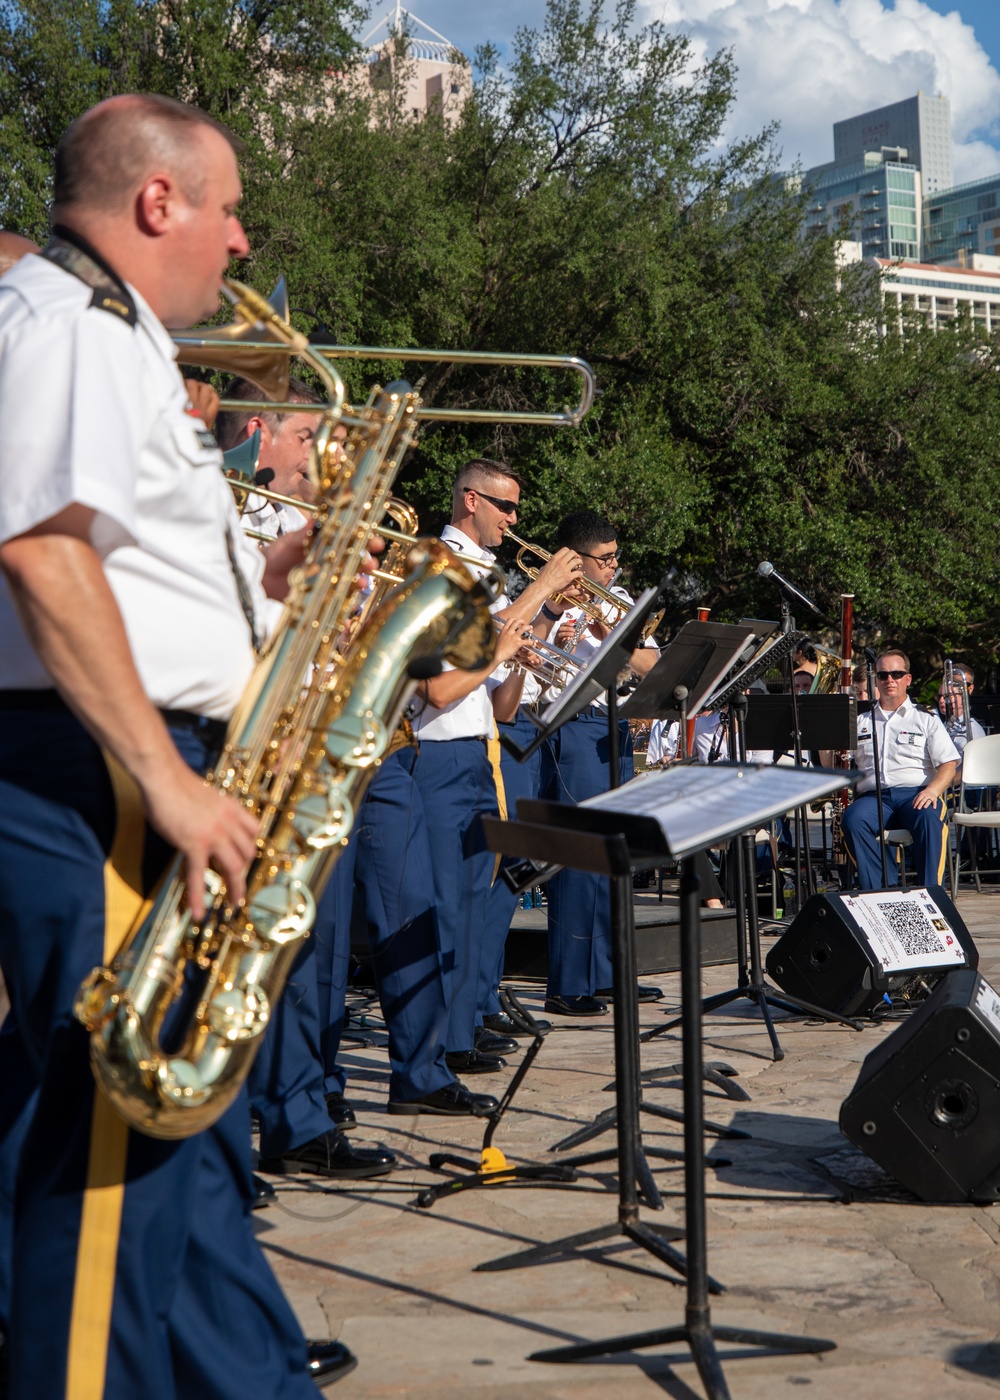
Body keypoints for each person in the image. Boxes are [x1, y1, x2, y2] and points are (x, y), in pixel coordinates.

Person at [0, 94, 348, 1396]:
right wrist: (168, 782)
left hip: (124, 762)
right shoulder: (74, 328)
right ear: (159, 203)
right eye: (230, 206)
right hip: (95, 776)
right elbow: (40, 546)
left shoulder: (110, 338)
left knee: (166, 1138)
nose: (242, 240)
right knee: (110, 1147)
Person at [402, 459, 583, 1072]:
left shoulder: (492, 576)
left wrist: (531, 650)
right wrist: (541, 592)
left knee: (475, 896)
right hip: (439, 749)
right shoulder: (441, 563)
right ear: (471, 501)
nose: (513, 520)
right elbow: (447, 682)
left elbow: (500, 701)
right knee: (447, 901)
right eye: (504, 507)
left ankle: (460, 1026)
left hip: (482, 748)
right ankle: (440, 1042)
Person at [540, 510, 660, 1015]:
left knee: (615, 857)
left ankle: (609, 974)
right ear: (577, 558)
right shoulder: (547, 601)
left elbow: (652, 665)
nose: (614, 568)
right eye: (605, 559)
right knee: (579, 857)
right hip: (569, 724)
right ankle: (569, 983)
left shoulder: (622, 603)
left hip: (612, 727)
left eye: (616, 558)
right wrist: (562, 633)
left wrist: (617, 638)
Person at [840, 649, 959, 890]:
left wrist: (933, 791)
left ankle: (931, 894)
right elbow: (834, 763)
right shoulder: (860, 721)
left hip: (916, 794)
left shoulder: (925, 719)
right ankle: (879, 891)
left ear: (908, 679)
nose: (889, 680)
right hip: (874, 798)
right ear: (876, 680)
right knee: (852, 820)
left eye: (896, 674)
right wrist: (831, 729)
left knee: (930, 816)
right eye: (883, 675)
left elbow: (948, 764)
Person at [215, 373, 320, 538]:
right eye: (303, 439)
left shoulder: (286, 513)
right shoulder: (210, 513)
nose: (311, 455)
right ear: (258, 434)